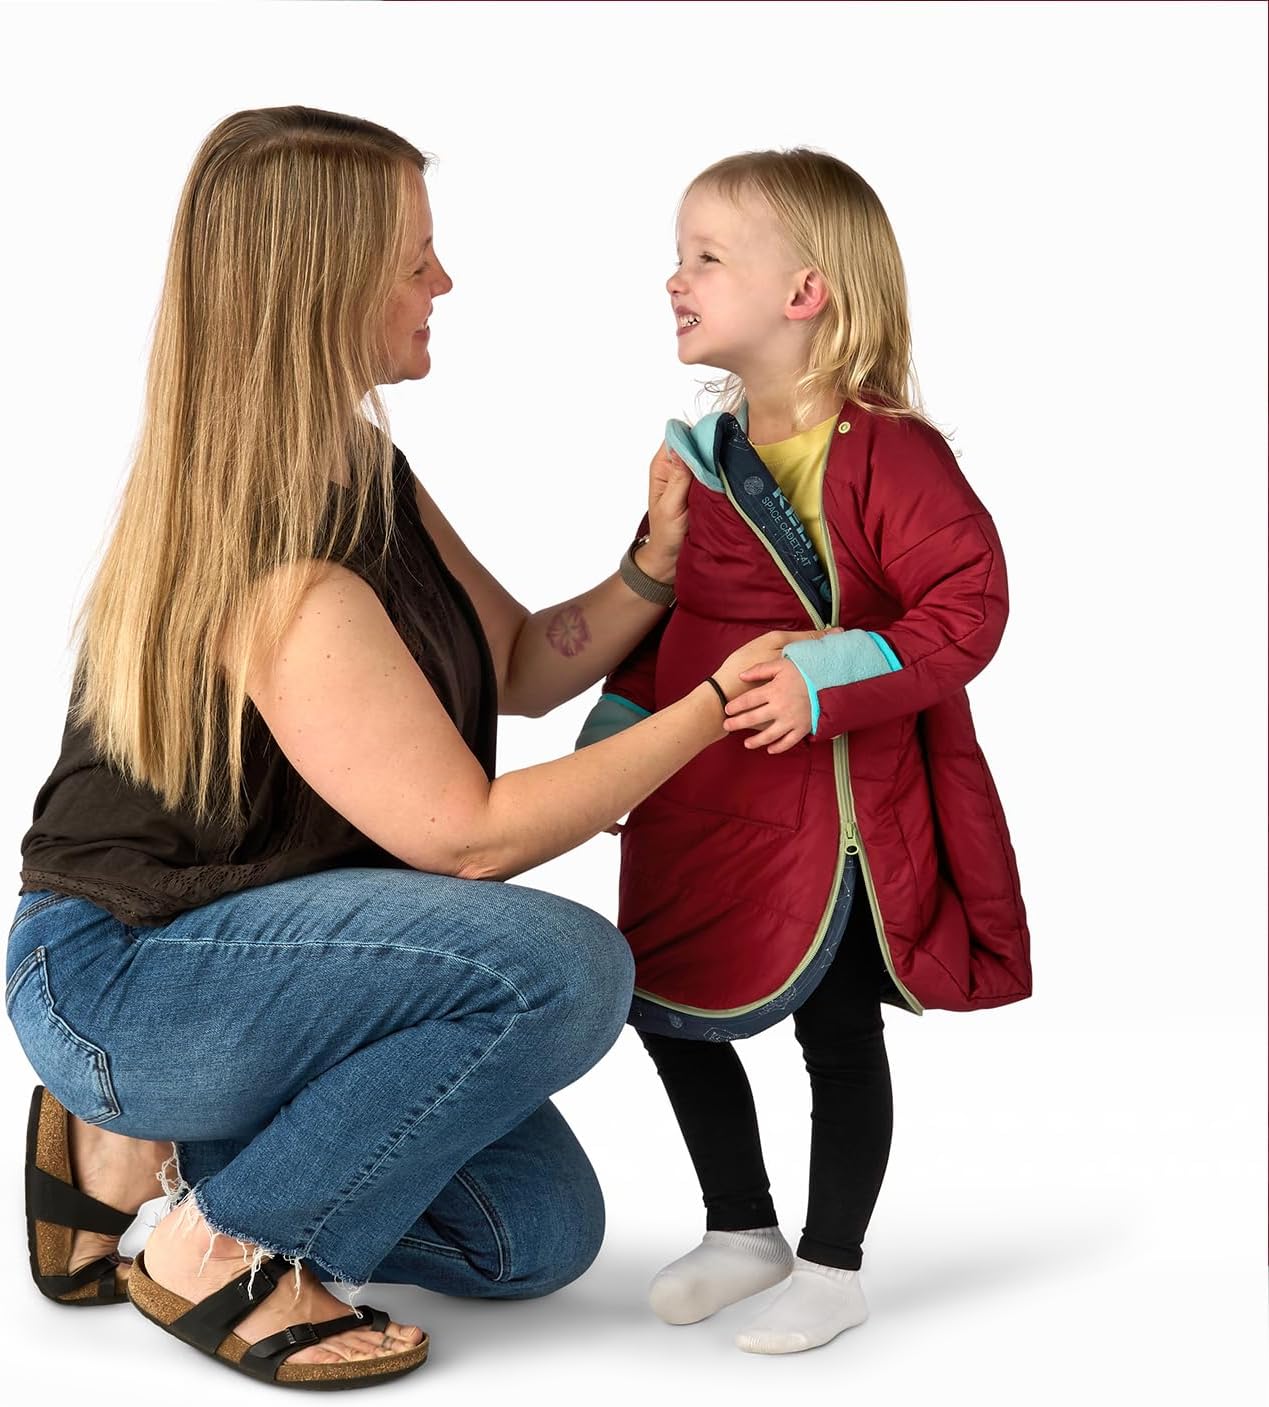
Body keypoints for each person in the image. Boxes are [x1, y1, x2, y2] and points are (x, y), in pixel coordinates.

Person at [7, 107, 830, 1388]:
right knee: (565, 966)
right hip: (134, 975)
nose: (443, 281)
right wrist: (718, 707)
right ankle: (218, 1244)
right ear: (326, 284)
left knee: (532, 1236)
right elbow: (468, 842)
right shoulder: (278, 568)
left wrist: (656, 564)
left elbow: (524, 663)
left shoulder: (361, 464)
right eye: (414, 260)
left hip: (283, 959)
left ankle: (142, 1143)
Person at [574, 148, 1032, 1355]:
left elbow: (967, 609)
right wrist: (618, 742)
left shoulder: (891, 454)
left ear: (804, 292)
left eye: (705, 257)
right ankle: (741, 1229)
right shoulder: (704, 451)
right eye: (678, 257)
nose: (674, 279)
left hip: (825, 807)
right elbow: (670, 617)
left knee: (834, 1028)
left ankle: (833, 1266)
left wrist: (826, 677)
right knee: (662, 1001)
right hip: (699, 792)